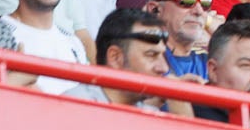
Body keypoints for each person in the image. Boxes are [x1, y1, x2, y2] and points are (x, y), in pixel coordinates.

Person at [61, 8, 193, 115]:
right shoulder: (75, 107)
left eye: (163, 56)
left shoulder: (150, 114)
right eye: (151, 55)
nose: (163, 68)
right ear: (115, 57)